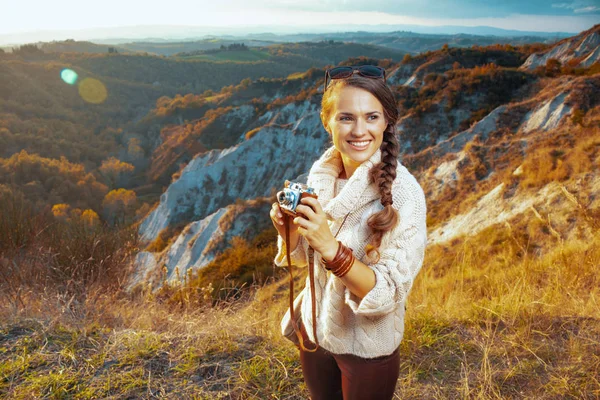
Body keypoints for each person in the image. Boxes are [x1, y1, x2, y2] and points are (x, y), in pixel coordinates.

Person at [269, 65, 427, 400]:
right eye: (345, 118)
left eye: (371, 117)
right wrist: (289, 231)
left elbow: (389, 292)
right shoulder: (322, 177)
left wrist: (330, 248)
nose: (359, 130)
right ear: (327, 121)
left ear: (387, 121)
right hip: (315, 328)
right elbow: (301, 259)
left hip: (366, 347)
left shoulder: (405, 194)